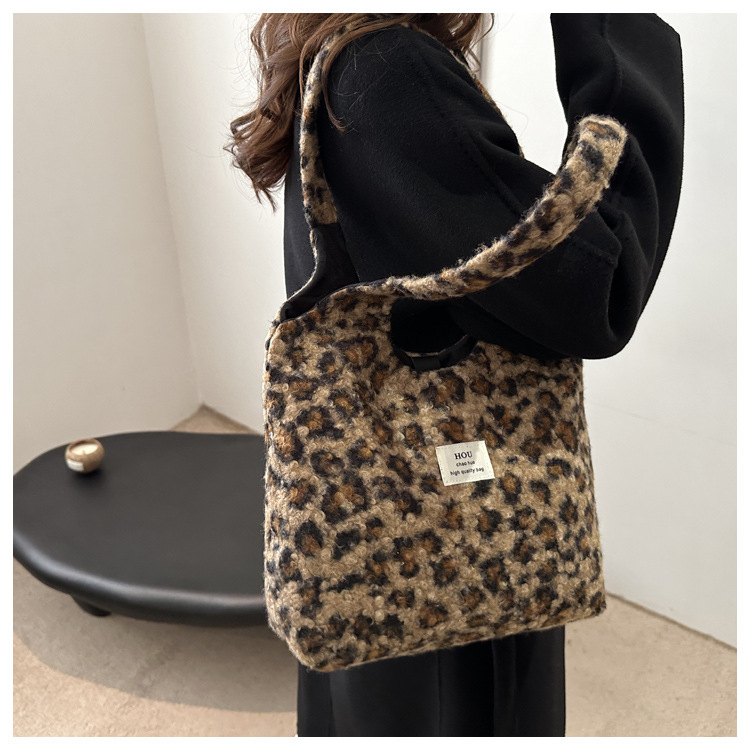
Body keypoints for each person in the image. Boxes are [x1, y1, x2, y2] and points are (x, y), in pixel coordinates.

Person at [227, 12, 684, 737]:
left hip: (385, 542)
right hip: (455, 556)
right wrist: (618, 33)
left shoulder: (338, 49)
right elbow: (599, 290)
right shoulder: (390, 70)